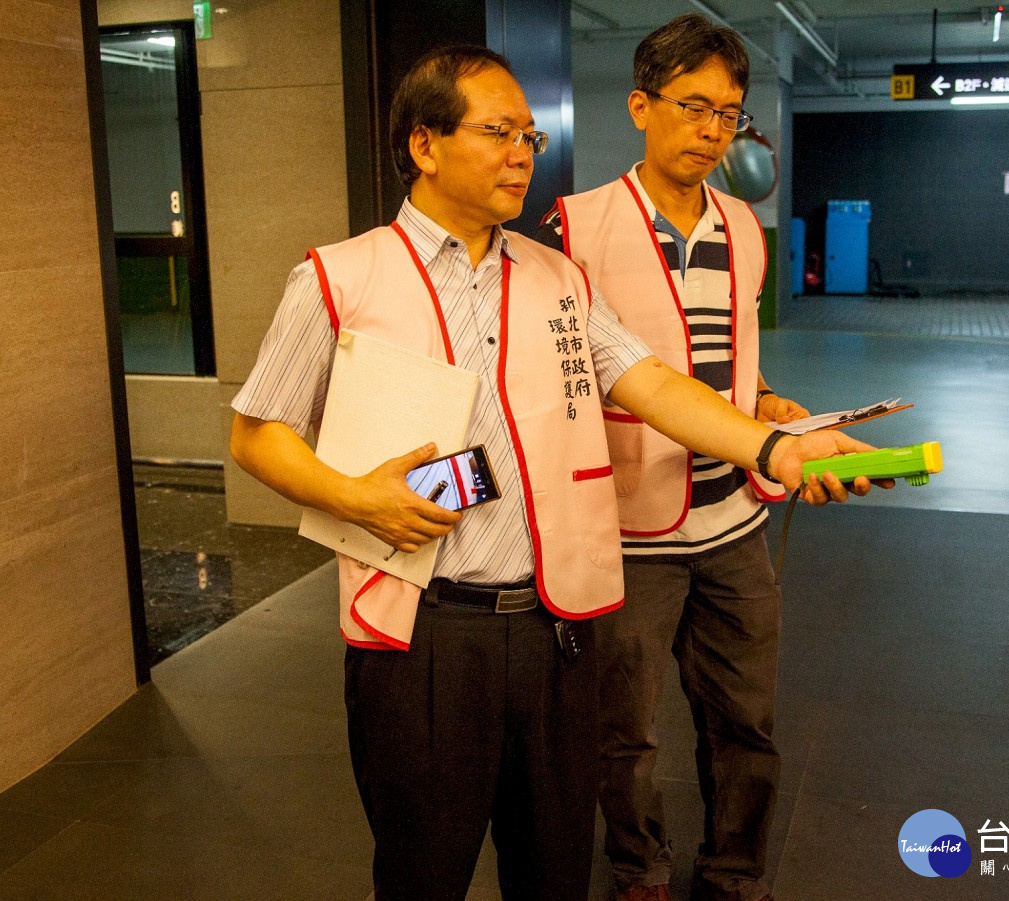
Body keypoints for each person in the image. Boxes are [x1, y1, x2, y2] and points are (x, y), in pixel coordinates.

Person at [230, 44, 876, 901]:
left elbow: (650, 383)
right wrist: (354, 495)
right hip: (425, 634)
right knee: (425, 868)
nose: (523, 154)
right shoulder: (338, 277)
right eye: (498, 133)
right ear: (424, 144)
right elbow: (257, 432)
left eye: (529, 136)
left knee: (555, 867)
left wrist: (772, 447)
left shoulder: (555, 276)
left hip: (557, 629)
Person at [539, 15, 823, 901]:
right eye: (693, 106)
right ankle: (641, 867)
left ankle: (735, 870)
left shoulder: (745, 226)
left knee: (747, 719)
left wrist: (771, 407)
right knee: (624, 728)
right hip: (628, 527)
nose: (711, 130)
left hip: (737, 518)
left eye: (729, 114)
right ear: (639, 105)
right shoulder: (573, 229)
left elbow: (735, 360)